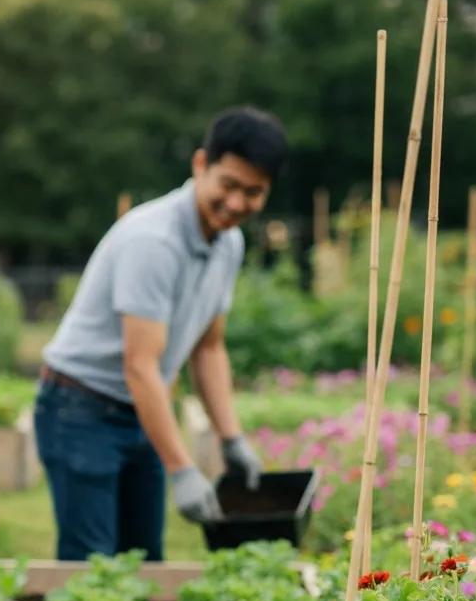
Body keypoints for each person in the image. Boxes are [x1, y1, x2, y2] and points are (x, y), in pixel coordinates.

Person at [36, 107, 288, 561]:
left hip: (142, 408)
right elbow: (140, 364)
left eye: (253, 192)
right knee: (91, 564)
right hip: (80, 408)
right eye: (228, 185)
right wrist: (182, 468)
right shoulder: (154, 241)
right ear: (200, 165)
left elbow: (209, 347)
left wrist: (231, 438)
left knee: (145, 559)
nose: (236, 204)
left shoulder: (229, 243)